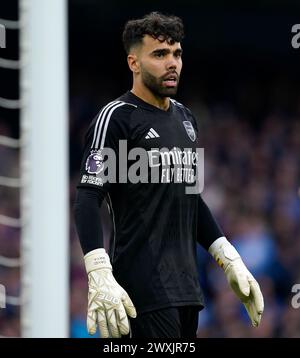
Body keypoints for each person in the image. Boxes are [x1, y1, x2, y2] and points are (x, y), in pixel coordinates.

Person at [74, 11, 264, 338]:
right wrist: (99, 272)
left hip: (188, 292)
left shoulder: (186, 119)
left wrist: (228, 257)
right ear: (134, 63)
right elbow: (88, 198)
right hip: (141, 290)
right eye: (160, 54)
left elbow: (191, 198)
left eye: (176, 53)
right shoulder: (117, 118)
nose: (172, 62)